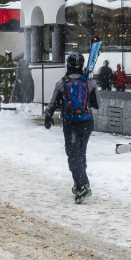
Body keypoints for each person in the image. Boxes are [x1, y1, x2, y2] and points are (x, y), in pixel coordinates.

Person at [44, 52, 99, 203]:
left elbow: (53, 102)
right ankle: (78, 182)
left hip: (70, 123)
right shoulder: (89, 82)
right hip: (87, 122)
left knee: (73, 154)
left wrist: (48, 116)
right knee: (81, 153)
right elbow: (97, 104)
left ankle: (83, 185)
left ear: (68, 65)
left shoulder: (62, 83)